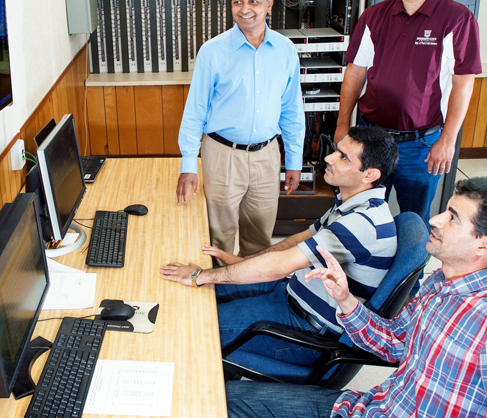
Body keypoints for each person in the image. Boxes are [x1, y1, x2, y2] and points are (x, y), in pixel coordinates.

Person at [226, 177, 487, 418]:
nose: (435, 220)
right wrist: (345, 299)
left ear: (485, 245)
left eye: (452, 218)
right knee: (228, 399)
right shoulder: (441, 285)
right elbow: (393, 343)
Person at [161, 126, 398, 379]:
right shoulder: (354, 205)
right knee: (189, 299)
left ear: (370, 174)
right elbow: (295, 241)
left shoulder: (362, 223)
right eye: (336, 151)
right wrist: (244, 261)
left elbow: (281, 264)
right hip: (288, 295)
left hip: (304, 331)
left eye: (343, 157)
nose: (329, 158)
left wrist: (201, 275)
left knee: (193, 323)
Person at [335, 0, 481, 224]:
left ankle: (412, 270)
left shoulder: (457, 19)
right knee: (359, 214)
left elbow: (464, 83)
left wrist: (448, 140)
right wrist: (343, 126)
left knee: (415, 220)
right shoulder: (374, 16)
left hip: (421, 144)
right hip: (371, 138)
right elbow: (356, 71)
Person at [176, 0, 305, 258]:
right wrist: (187, 163)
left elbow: (292, 111)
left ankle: (251, 293)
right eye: (237, 2)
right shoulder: (213, 51)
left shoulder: (285, 50)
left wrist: (294, 160)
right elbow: (194, 110)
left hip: (266, 156)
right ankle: (220, 296)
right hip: (222, 155)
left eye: (254, 1)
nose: (245, 9)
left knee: (260, 236)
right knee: (219, 237)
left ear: (270, 4)